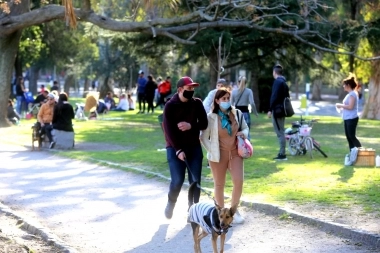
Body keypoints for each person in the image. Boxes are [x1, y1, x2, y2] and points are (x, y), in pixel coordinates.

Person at [200, 88, 248, 224]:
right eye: (223, 99)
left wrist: (243, 133)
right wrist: (212, 150)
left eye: (228, 98)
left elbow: (245, 127)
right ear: (217, 101)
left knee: (238, 181)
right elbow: (203, 137)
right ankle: (220, 213)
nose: (226, 101)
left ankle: (233, 211)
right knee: (219, 185)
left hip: (235, 154)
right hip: (217, 157)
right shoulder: (211, 117)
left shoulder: (236, 113)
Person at [163, 76, 208, 219]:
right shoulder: (170, 106)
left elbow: (204, 123)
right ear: (180, 90)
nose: (192, 91)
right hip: (174, 148)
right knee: (177, 181)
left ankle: (193, 211)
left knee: (195, 181)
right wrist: (178, 150)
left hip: (194, 147)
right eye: (189, 89)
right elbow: (168, 131)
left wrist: (191, 126)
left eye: (193, 89)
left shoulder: (197, 103)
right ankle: (171, 202)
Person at [267, 64, 290, 161]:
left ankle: (282, 154)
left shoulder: (277, 82)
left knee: (280, 132)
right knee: (281, 131)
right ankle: (282, 152)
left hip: (277, 110)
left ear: (274, 72)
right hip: (282, 110)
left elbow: (274, 97)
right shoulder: (284, 82)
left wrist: (270, 109)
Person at [335, 74, 362, 151]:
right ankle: (353, 153)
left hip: (352, 118)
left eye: (344, 85)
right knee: (349, 136)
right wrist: (341, 107)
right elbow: (348, 106)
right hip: (347, 118)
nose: (343, 86)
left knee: (352, 136)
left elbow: (350, 107)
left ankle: (361, 152)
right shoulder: (350, 94)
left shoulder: (352, 94)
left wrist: (340, 105)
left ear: (348, 85)